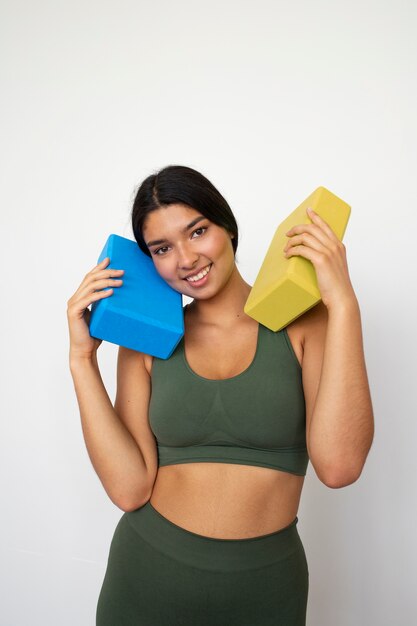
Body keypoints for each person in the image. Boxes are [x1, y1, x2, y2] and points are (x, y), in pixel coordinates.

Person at [67, 165, 374, 626]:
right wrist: (81, 360)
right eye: (162, 249)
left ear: (227, 226)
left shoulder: (305, 325)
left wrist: (343, 304)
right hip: (146, 578)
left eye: (198, 231)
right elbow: (129, 489)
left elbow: (339, 466)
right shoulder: (147, 341)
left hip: (266, 588)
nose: (186, 258)